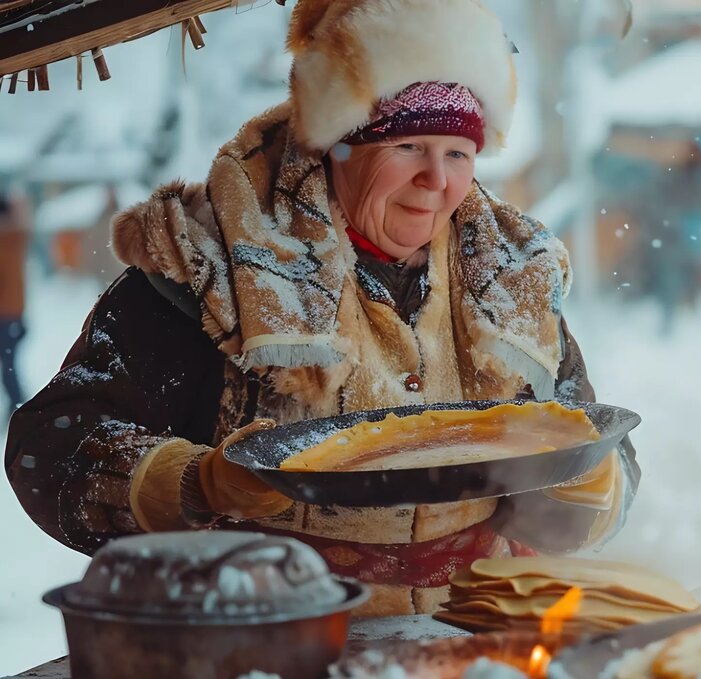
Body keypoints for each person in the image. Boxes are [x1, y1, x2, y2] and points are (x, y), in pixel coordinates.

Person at [5, 0, 637, 616]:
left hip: (471, 627)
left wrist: (589, 479)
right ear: (341, 142)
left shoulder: (511, 276)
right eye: (408, 145)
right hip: (266, 634)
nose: (437, 180)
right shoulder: (212, 264)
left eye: (458, 152)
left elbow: (588, 454)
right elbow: (53, 445)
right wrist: (198, 482)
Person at [0, 189, 28, 419]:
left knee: (8, 364)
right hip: (13, 313)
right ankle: (16, 405)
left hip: (6, 314)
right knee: (9, 364)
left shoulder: (6, 242)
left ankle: (17, 406)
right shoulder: (14, 238)